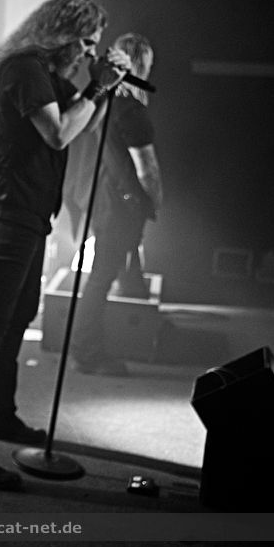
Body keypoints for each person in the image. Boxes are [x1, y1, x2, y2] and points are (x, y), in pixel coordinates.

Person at [0, 0, 130, 490]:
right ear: (63, 35)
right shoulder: (25, 71)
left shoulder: (44, 75)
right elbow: (59, 132)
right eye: (86, 43)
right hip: (11, 209)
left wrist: (103, 87)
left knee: (18, 315)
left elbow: (79, 114)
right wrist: (98, 87)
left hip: (27, 210)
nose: (89, 53)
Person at [71, 33, 162, 376]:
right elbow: (147, 169)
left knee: (112, 272)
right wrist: (155, 201)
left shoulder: (105, 103)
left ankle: (115, 337)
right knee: (101, 278)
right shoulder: (132, 111)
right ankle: (87, 352)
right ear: (142, 66)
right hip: (117, 207)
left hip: (100, 199)